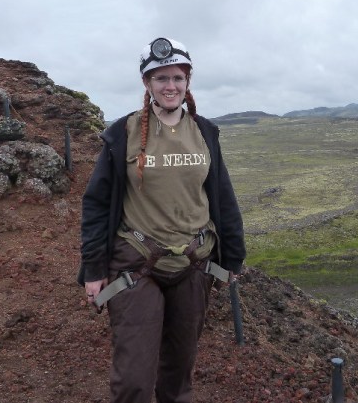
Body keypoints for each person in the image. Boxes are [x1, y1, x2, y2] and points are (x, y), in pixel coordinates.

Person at [78, 37, 246, 403]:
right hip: (135, 263)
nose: (170, 86)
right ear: (146, 84)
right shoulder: (123, 133)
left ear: (188, 82)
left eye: (177, 78)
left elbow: (222, 197)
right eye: (160, 78)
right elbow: (96, 203)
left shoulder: (204, 132)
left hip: (195, 262)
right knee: (134, 379)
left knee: (179, 373)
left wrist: (232, 259)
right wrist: (93, 269)